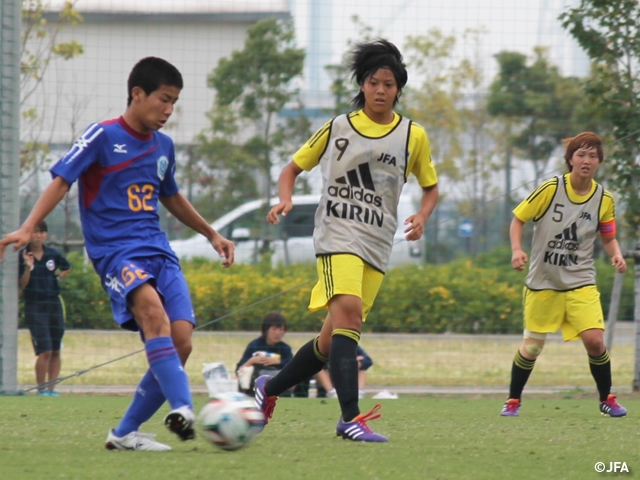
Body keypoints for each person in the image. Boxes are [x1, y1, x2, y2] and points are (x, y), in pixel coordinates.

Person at [0, 57, 235, 451]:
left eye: (174, 102)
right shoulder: (101, 136)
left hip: (158, 251)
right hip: (115, 253)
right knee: (152, 315)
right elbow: (61, 180)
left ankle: (124, 433)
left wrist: (211, 233)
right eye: (163, 99)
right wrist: (28, 226)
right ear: (137, 94)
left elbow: (171, 195)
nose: (168, 110)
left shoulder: (164, 146)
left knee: (182, 342)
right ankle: (184, 408)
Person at [258, 39, 439, 442]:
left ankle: (267, 389)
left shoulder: (413, 136)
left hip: (377, 243)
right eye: (373, 82)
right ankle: (349, 419)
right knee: (351, 317)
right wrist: (285, 199)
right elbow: (291, 169)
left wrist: (422, 216)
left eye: (388, 84)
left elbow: (430, 188)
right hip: (337, 235)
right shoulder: (339, 127)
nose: (380, 90)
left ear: (398, 89)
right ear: (362, 84)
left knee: (330, 340)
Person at [500, 132, 627, 418]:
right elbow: (518, 218)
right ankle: (513, 401)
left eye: (593, 156)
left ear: (599, 162)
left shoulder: (603, 199)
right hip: (543, 283)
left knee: (595, 341)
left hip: (581, 281)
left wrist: (615, 254)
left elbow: (608, 236)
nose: (587, 160)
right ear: (570, 159)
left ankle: (607, 398)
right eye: (581, 154)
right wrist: (517, 250)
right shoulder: (551, 188)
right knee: (531, 348)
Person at [18, 220, 71, 397]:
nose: (38, 236)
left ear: (46, 234)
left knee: (56, 349)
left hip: (54, 304)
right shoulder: (23, 255)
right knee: (45, 349)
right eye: (34, 232)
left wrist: (58, 278)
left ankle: (51, 389)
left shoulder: (53, 254)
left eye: (41, 232)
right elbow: (22, 284)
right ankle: (41, 390)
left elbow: (67, 267)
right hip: (35, 305)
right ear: (29, 234)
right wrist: (28, 267)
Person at [236, 312, 294, 395]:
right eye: (274, 329)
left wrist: (278, 362)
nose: (277, 333)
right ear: (266, 330)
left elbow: (294, 368)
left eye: (281, 329)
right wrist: (252, 361)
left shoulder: (285, 348)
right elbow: (239, 370)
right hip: (255, 387)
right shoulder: (254, 345)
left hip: (279, 387)